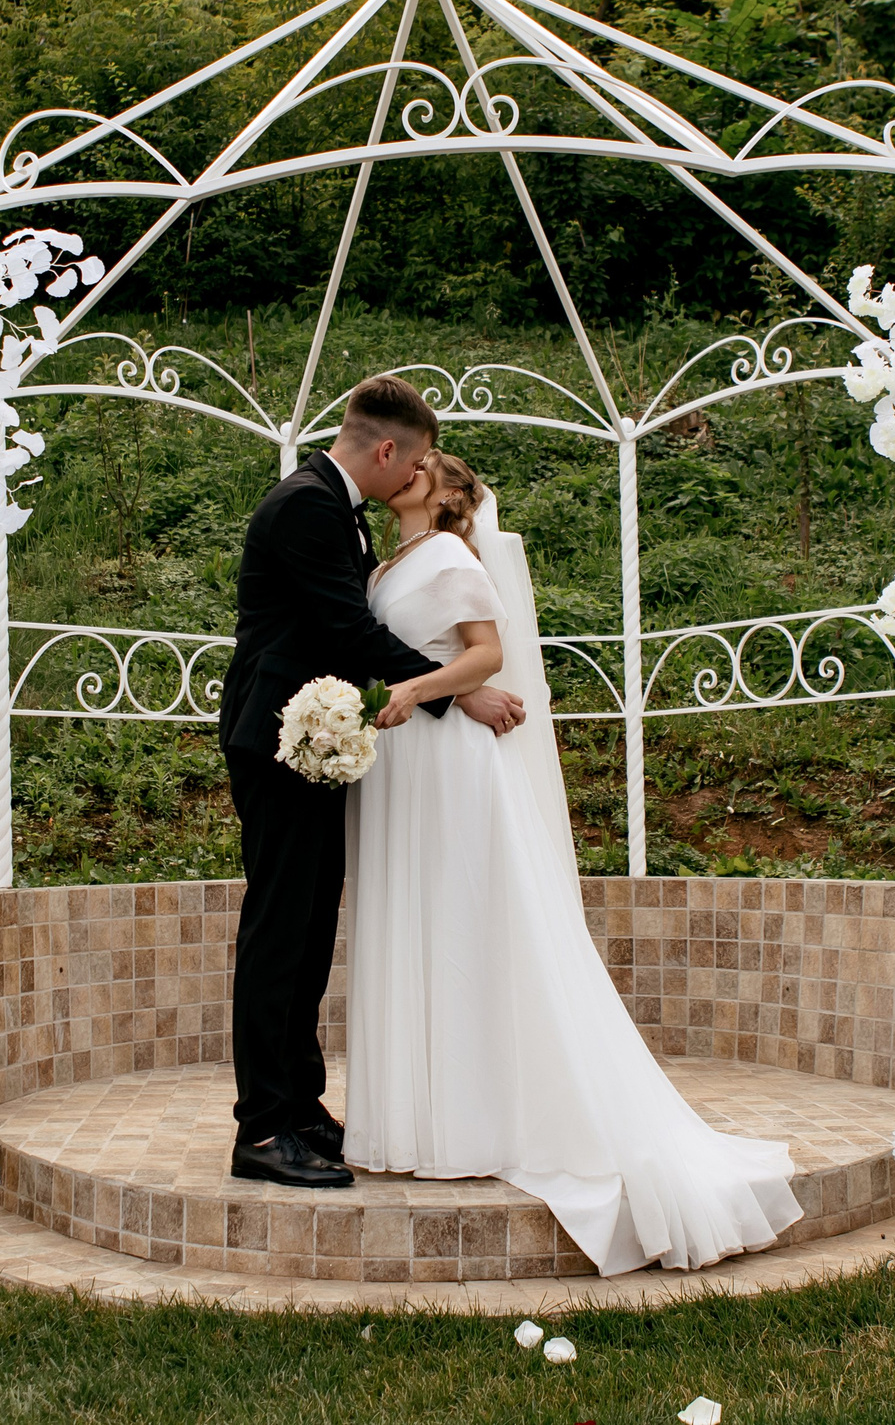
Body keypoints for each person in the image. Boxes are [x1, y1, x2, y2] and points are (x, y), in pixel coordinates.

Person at [347, 451, 803, 1274]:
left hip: (448, 761)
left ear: (453, 497)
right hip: (402, 762)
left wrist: (415, 692)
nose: (415, 470)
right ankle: (416, 1120)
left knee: (457, 920)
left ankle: (475, 1121)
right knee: (412, 921)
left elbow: (485, 655)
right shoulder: (387, 564)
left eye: (432, 467)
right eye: (410, 461)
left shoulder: (451, 555)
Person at [215, 377, 525, 1189]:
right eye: (416, 460)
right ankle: (262, 1128)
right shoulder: (307, 505)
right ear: (387, 449)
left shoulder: (337, 508)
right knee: (281, 932)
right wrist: (458, 692)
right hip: (277, 742)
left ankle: (300, 1105)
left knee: (311, 931)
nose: (420, 473)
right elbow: (347, 630)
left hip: (318, 744)